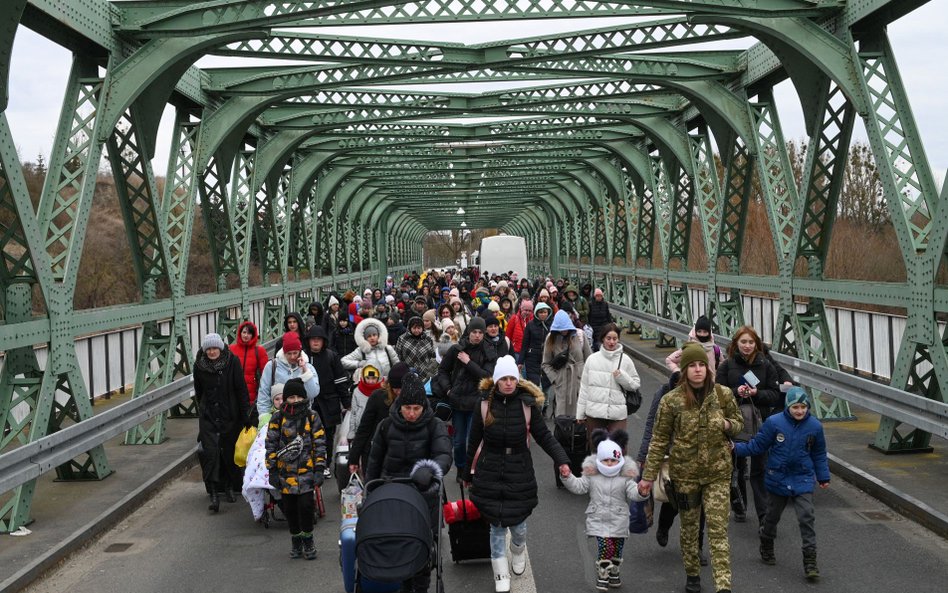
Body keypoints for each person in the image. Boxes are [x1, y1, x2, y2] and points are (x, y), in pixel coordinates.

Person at [638, 343, 743, 593]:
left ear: (708, 368)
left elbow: (739, 424)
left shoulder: (723, 395)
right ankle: (693, 574)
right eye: (692, 366)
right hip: (685, 475)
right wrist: (647, 477)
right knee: (689, 528)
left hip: (717, 473)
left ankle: (723, 586)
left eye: (701, 365)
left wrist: (727, 425)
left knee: (718, 530)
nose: (698, 370)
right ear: (684, 370)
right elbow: (659, 439)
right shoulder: (671, 401)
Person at [462, 356, 571, 593]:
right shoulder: (484, 404)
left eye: (512, 378)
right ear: (497, 381)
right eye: (504, 379)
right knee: (496, 526)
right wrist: (466, 472)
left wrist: (561, 459)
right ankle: (500, 572)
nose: (509, 383)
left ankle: (518, 550)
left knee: (518, 524)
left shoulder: (527, 404)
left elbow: (544, 436)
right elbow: (474, 441)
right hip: (490, 468)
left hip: (519, 469)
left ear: (517, 379)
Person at [365, 373, 452, 593]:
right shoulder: (386, 426)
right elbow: (374, 461)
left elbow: (444, 455)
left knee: (422, 551)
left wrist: (429, 470)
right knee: (398, 547)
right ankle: (404, 586)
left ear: (423, 407)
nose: (411, 414)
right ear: (399, 405)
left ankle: (420, 588)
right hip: (392, 492)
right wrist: (369, 493)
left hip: (424, 494)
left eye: (416, 409)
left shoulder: (435, 426)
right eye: (407, 408)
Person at [735, 387, 829, 581]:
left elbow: (819, 453)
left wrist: (823, 476)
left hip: (802, 478)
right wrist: (735, 449)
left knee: (806, 517)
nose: (800, 411)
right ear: (788, 407)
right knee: (772, 517)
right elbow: (758, 445)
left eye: (803, 407)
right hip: (777, 477)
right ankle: (766, 542)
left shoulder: (814, 427)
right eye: (796, 407)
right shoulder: (774, 423)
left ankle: (810, 561)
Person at [636, 372, 708, 566]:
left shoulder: (708, 391)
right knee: (674, 500)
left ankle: (697, 547)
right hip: (673, 457)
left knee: (700, 505)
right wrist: (644, 456)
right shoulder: (665, 393)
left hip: (700, 459)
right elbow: (651, 424)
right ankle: (664, 526)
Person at [563, 429, 647, 591]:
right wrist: (568, 478)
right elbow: (579, 486)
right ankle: (603, 573)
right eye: (606, 460)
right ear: (599, 459)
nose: (609, 463)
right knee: (606, 546)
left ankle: (614, 571)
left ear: (619, 459)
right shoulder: (592, 474)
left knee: (617, 548)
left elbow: (633, 492)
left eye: (613, 460)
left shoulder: (625, 476)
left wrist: (641, 492)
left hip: (619, 519)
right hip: (598, 518)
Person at [715, 325, 782, 523]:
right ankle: (739, 505)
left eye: (751, 342)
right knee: (737, 464)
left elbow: (774, 395)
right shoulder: (726, 366)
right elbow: (718, 394)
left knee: (759, 467)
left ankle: (763, 514)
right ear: (736, 344)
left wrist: (756, 393)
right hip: (735, 421)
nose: (747, 346)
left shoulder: (765, 365)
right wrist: (737, 392)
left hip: (761, 422)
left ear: (757, 344)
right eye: (743, 342)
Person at [265, 378, 327, 560]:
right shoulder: (278, 418)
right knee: (290, 509)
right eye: (291, 397)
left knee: (306, 507)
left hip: (307, 471)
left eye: (298, 397)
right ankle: (296, 540)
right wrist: (272, 470)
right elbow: (271, 444)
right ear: (285, 399)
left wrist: (319, 468)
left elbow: (320, 442)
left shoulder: (312, 416)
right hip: (286, 473)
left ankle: (308, 539)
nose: (295, 401)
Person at [193, 332, 253, 512]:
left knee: (228, 452)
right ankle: (213, 491)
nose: (211, 352)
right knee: (211, 453)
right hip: (209, 416)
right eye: (208, 349)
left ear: (220, 348)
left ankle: (228, 486)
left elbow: (241, 389)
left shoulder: (232, 362)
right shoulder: (199, 366)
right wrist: (203, 411)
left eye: (214, 348)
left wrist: (245, 416)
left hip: (229, 415)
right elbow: (198, 390)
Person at [432, 316, 498, 481]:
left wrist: (468, 362)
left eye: (480, 332)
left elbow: (487, 377)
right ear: (468, 332)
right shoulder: (457, 349)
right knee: (459, 442)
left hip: (477, 402)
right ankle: (461, 469)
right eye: (474, 332)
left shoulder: (489, 351)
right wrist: (448, 390)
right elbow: (442, 371)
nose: (477, 335)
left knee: (472, 442)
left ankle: (471, 471)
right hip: (458, 401)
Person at [576, 323, 640, 450]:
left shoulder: (625, 360)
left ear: (618, 339)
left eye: (614, 339)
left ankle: (619, 470)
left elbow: (635, 384)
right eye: (608, 338)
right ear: (602, 339)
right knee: (596, 449)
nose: (611, 342)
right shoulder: (592, 360)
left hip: (617, 412)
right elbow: (584, 388)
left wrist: (622, 377)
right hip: (594, 411)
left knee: (619, 448)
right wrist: (580, 413)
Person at [304, 324, 350, 478]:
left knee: (328, 434)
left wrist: (347, 402)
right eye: (313, 340)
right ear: (308, 341)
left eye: (319, 340)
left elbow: (340, 380)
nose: (315, 343)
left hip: (329, 401)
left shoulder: (331, 356)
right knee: (308, 433)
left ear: (323, 341)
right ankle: (311, 462)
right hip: (310, 402)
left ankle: (325, 463)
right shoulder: (303, 357)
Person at [348, 362, 410, 474]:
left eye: (402, 388)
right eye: (396, 388)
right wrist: (354, 458)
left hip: (403, 456)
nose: (399, 392)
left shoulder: (413, 400)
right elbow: (364, 428)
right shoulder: (377, 397)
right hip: (375, 454)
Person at [256, 331, 319, 418]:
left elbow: (313, 394)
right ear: (283, 352)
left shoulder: (309, 367)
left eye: (295, 353)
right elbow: (264, 393)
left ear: (300, 351)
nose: (292, 356)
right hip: (278, 418)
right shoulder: (272, 366)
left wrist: (305, 371)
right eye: (289, 353)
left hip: (303, 418)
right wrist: (264, 417)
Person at [542, 310, 591, 417]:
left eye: (565, 328)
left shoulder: (580, 335)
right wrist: (556, 379)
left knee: (580, 417)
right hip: (562, 382)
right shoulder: (550, 339)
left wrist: (585, 378)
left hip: (579, 380)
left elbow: (589, 359)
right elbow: (545, 364)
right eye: (560, 329)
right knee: (562, 418)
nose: (564, 331)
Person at [230, 320, 268, 407]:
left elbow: (265, 374)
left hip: (252, 396)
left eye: (249, 333)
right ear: (240, 333)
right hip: (234, 394)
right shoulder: (231, 349)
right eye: (244, 332)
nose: (246, 335)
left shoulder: (260, 351)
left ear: (253, 335)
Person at [519, 302, 552, 392]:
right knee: (534, 384)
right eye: (540, 312)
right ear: (536, 313)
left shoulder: (552, 325)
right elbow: (525, 344)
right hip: (532, 358)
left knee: (547, 382)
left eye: (545, 312)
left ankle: (545, 399)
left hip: (547, 358)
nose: (543, 314)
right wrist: (520, 361)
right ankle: (536, 403)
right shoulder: (530, 325)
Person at [396, 316, 439, 382]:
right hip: (408, 374)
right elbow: (398, 356)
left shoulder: (427, 339)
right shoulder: (402, 339)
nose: (416, 330)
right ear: (410, 328)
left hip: (426, 374)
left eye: (419, 328)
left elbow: (433, 356)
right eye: (414, 328)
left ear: (422, 328)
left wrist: (430, 372)